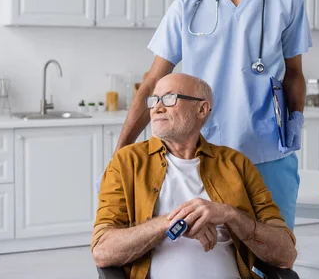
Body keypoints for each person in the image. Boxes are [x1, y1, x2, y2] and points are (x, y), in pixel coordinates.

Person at [112, 0, 312, 229]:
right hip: (199, 154)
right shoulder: (187, 6)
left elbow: (294, 74)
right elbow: (151, 82)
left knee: (273, 253)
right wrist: (121, 152)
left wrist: (295, 122)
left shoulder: (285, 1)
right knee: (203, 254)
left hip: (266, 153)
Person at [92, 73, 297, 279]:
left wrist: (230, 215)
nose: (157, 108)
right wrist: (172, 223)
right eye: (154, 100)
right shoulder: (127, 162)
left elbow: (285, 255)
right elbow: (102, 250)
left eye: (170, 98)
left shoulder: (236, 163)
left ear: (202, 109)